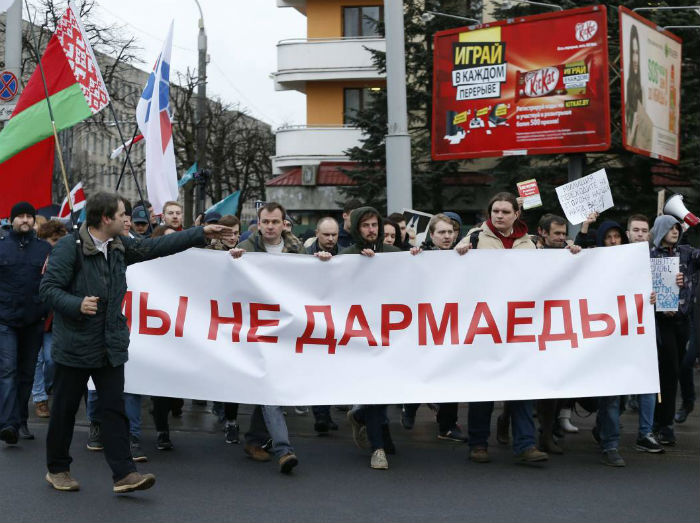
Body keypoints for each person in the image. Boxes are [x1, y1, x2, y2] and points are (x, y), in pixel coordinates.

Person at [40, 192, 234, 493]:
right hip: (75, 345)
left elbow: (154, 247)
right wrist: (76, 304)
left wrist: (199, 233)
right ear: (105, 219)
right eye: (120, 215)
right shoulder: (69, 248)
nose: (126, 219)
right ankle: (58, 469)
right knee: (64, 411)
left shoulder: (120, 245)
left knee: (114, 410)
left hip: (110, 343)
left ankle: (124, 474)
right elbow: (48, 289)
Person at [453, 193, 548, 465]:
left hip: (518, 327)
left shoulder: (530, 245)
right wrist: (458, 255)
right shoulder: (474, 238)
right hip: (484, 325)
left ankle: (526, 445)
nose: (499, 216)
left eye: (506, 211)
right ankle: (479, 443)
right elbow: (450, 274)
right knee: (483, 388)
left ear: (517, 214)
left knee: (521, 388)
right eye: (495, 210)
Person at [229, 202, 300, 474]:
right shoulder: (245, 250)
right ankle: (284, 449)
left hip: (285, 330)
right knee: (271, 388)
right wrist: (229, 260)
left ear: (284, 224)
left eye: (275, 222)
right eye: (265, 221)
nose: (270, 226)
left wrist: (322, 262)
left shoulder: (297, 251)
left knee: (272, 387)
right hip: (255, 330)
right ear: (258, 224)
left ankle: (254, 439)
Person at [340, 206, 401, 470]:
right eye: (365, 225)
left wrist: (417, 259)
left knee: (388, 388)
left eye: (374, 224)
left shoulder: (394, 255)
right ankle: (377, 448)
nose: (371, 230)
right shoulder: (347, 257)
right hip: (361, 336)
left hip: (393, 333)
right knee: (375, 389)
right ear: (356, 228)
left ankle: (362, 416)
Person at [403, 214, 467, 442]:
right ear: (432, 235)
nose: (447, 236)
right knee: (423, 370)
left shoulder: (465, 257)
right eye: (441, 232)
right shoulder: (420, 256)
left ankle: (447, 426)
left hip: (452, 326)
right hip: (425, 325)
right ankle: (410, 406)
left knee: (452, 375)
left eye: (450, 232)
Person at [0, 202, 52, 445]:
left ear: (34, 220)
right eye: (19, 216)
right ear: (12, 220)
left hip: (34, 321)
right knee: (8, 371)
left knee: (26, 374)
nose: (24, 220)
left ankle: (20, 419)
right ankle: (8, 423)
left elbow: (53, 281)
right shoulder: (1, 247)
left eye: (29, 216)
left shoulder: (44, 250)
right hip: (5, 320)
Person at [649, 215, 699, 447]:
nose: (675, 231)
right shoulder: (650, 256)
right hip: (660, 323)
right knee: (667, 372)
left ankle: (660, 423)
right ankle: (664, 425)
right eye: (670, 227)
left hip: (682, 322)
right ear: (660, 231)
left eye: (678, 227)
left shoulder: (687, 253)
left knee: (675, 371)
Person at [31, 220, 68, 419]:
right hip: (34, 317)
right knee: (37, 361)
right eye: (54, 241)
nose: (58, 244)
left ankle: (44, 387)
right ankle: (39, 399)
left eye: (61, 240)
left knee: (51, 359)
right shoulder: (35, 258)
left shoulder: (66, 258)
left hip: (53, 319)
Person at [625, 24, 652, 151]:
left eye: (637, 53)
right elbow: (628, 142)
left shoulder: (641, 89)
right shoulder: (626, 87)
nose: (635, 58)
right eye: (632, 53)